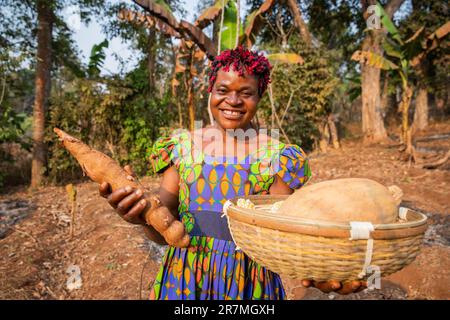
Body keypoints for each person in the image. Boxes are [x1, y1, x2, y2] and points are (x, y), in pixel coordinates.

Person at [99, 46, 366, 299]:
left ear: (259, 97)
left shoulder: (275, 158)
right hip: (184, 278)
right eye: (223, 89)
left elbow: (288, 234)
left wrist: (323, 267)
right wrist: (140, 216)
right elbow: (164, 228)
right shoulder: (182, 148)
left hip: (249, 282)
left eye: (246, 93)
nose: (233, 100)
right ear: (210, 91)